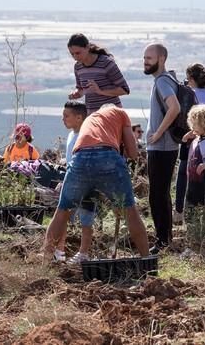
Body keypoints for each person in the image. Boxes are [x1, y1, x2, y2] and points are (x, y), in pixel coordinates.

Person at [43, 105, 150, 261]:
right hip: (107, 156)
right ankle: (146, 259)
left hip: (80, 158)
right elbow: (133, 153)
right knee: (129, 210)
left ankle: (45, 261)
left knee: (62, 210)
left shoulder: (91, 119)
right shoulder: (120, 113)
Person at [174, 63, 205, 225]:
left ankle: (181, 211)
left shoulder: (188, 94)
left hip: (192, 140)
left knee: (185, 176)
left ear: (191, 79)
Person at [143, 43, 181, 254]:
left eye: (149, 58)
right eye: (145, 58)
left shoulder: (163, 82)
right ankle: (165, 239)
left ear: (162, 59)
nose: (146, 61)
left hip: (162, 147)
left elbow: (174, 107)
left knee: (157, 194)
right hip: (163, 146)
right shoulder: (164, 80)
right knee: (160, 193)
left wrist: (157, 134)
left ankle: (162, 241)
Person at [56, 101, 97, 263]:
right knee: (63, 216)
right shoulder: (71, 134)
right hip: (72, 180)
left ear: (79, 117)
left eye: (66, 116)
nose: (63, 119)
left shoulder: (86, 135)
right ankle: (59, 250)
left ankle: (83, 253)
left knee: (86, 218)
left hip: (87, 182)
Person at [67, 33, 130, 114]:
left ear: (87, 47)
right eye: (72, 54)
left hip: (112, 115)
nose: (75, 57)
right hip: (92, 117)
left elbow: (124, 90)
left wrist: (100, 91)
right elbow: (80, 89)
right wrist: (76, 94)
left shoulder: (106, 63)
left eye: (78, 53)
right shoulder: (78, 67)